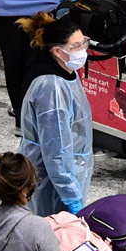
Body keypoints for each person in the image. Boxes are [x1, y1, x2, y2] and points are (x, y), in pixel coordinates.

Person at [17, 12, 93, 216]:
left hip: (68, 170)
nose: (83, 50)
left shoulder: (67, 73)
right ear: (58, 52)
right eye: (76, 46)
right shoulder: (52, 90)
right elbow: (56, 150)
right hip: (53, 181)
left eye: (84, 42)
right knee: (54, 227)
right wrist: (71, 195)